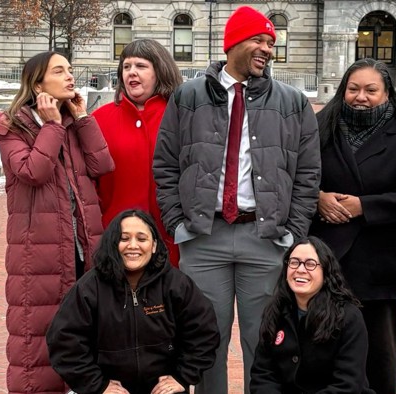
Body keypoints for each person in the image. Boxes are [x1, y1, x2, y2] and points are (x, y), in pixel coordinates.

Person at [153, 6, 321, 393]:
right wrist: (179, 224)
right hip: (203, 237)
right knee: (206, 340)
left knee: (262, 341)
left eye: (271, 42)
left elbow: (308, 175)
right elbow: (165, 164)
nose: (267, 49)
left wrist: (291, 232)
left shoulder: (292, 102)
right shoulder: (188, 96)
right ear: (232, 44)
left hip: (264, 239)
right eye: (259, 40)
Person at [0, 51, 115, 394]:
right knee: (36, 346)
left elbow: (102, 166)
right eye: (60, 71)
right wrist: (52, 125)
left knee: (85, 345)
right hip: (38, 258)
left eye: (70, 69)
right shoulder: (11, 126)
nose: (70, 76)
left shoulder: (72, 122)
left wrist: (82, 117)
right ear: (37, 83)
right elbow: (33, 172)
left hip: (83, 251)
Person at [308, 58, 396, 393]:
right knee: (324, 351)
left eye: (370, 90)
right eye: (353, 88)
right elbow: (297, 175)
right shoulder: (322, 124)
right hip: (327, 256)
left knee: (376, 354)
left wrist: (364, 206)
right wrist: (318, 197)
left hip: (379, 259)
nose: (360, 96)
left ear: (387, 93)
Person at [46, 209, 220, 394]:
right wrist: (97, 385)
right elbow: (64, 341)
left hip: (161, 389)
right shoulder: (89, 288)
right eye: (124, 239)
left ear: (154, 245)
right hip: (105, 388)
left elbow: (204, 332)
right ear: (113, 244)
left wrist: (182, 377)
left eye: (142, 239)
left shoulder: (176, 284)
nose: (133, 245)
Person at [93, 39, 184, 266]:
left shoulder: (181, 117)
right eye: (126, 67)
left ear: (159, 71)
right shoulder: (99, 119)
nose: (131, 72)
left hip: (170, 239)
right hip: (116, 238)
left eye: (141, 66)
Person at [250, 236, 375, 393]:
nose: (300, 270)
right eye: (294, 262)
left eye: (310, 264)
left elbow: (348, 384)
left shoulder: (348, 317)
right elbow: (263, 375)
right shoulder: (276, 311)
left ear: (326, 271)